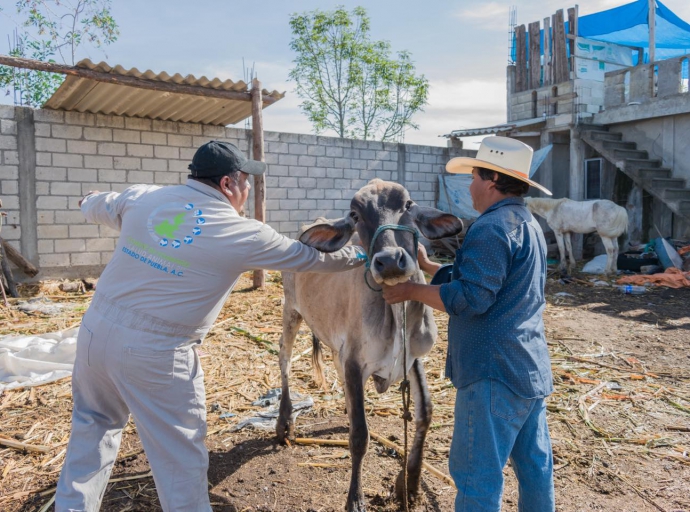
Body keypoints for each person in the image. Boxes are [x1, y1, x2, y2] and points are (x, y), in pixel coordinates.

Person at [55, 140, 367, 512]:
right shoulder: (244, 234)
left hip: (95, 332)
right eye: (246, 181)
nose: (248, 189)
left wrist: (86, 199)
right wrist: (366, 253)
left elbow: (96, 203)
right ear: (227, 184)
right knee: (178, 460)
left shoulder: (145, 198)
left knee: (93, 427)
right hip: (156, 351)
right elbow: (313, 259)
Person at [382, 136, 555, 511]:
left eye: (474, 176)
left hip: (492, 373)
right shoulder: (527, 222)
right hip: (528, 369)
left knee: (476, 476)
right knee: (535, 468)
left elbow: (472, 299)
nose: (470, 185)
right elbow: (494, 282)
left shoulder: (490, 228)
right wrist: (433, 269)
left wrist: (412, 289)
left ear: (492, 179)